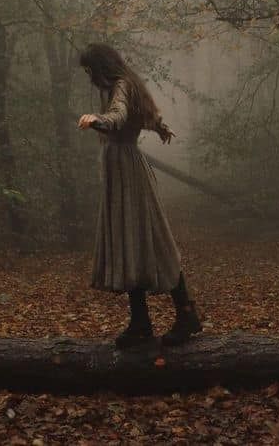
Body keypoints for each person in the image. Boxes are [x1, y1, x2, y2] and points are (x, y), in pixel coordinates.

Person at [77, 43, 202, 348]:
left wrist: (97, 120)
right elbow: (144, 116)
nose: (90, 77)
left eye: (91, 70)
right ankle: (141, 322)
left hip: (127, 173)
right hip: (122, 172)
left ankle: (184, 314)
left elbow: (119, 116)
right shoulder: (128, 84)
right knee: (129, 241)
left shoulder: (121, 86)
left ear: (101, 66)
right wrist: (160, 127)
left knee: (152, 239)